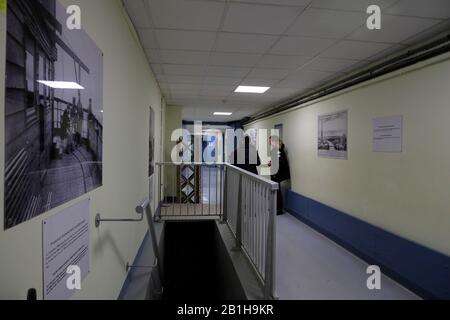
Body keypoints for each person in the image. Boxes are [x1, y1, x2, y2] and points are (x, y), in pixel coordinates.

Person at [268, 136, 291, 215]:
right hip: (276, 174)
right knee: (276, 192)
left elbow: (282, 163)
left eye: (270, 141)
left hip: (277, 174)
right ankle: (276, 208)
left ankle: (279, 209)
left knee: (277, 192)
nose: (269, 143)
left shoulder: (279, 150)